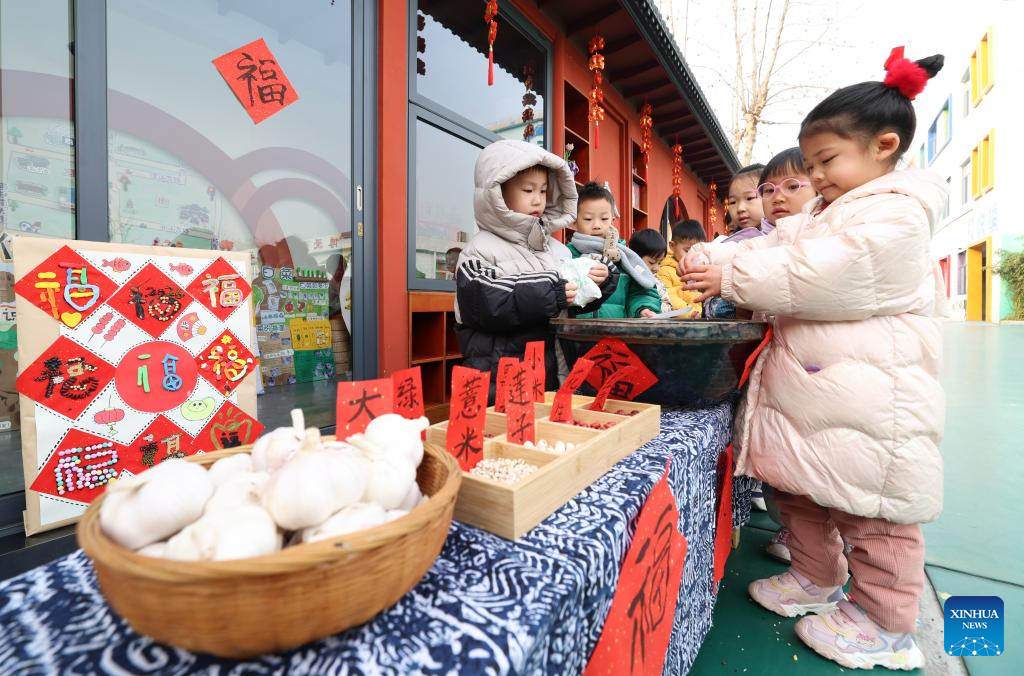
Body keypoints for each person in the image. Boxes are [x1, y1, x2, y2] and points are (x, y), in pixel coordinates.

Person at [681, 48, 947, 670]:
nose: (818, 175)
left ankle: (886, 625)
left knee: (870, 513)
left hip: (871, 399)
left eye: (826, 161)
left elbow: (822, 273)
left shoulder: (896, 213)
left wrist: (733, 274)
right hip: (813, 391)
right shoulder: (828, 212)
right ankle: (814, 578)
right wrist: (718, 261)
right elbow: (778, 245)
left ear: (884, 147)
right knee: (799, 493)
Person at [455, 140, 616, 397]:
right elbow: (486, 302)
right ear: (497, 193)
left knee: (542, 435)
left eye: (543, 191)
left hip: (550, 373)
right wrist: (554, 290)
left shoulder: (557, 249)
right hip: (500, 378)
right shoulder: (478, 250)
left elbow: (573, 301)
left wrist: (601, 280)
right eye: (528, 190)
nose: (537, 200)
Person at [748, 147, 820, 565]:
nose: (779, 196)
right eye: (769, 189)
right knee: (788, 465)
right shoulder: (771, 240)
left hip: (816, 372)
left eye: (793, 186)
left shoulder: (820, 235)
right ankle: (802, 541)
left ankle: (823, 557)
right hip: (786, 369)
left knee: (816, 472)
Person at [567, 182, 660, 318]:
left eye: (604, 218)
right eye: (588, 219)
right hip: (576, 334)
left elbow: (641, 292)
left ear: (613, 220)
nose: (597, 225)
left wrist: (643, 309)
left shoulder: (624, 258)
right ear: (574, 221)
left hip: (617, 334)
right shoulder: (567, 255)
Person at [658, 219, 704, 318]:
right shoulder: (665, 271)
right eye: (687, 251)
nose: (692, 256)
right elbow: (668, 298)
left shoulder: (700, 270)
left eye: (697, 251)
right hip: (682, 320)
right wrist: (691, 313)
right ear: (672, 246)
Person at [627, 228, 672, 314]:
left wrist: (654, 311)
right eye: (652, 262)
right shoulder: (625, 277)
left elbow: (667, 304)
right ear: (635, 257)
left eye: (659, 263)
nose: (656, 268)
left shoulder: (656, 282)